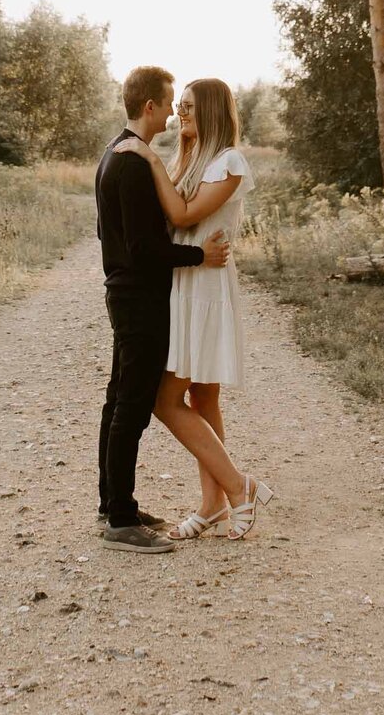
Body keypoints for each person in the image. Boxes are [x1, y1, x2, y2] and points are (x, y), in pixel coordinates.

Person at [116, 77, 274, 542]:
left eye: (187, 106)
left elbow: (183, 216)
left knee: (167, 401)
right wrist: (179, 152)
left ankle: (236, 486)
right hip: (184, 281)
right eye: (178, 105)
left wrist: (148, 155)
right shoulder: (193, 157)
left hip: (205, 285)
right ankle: (215, 505)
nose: (179, 114)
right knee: (203, 398)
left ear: (208, 109)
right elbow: (172, 211)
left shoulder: (229, 161)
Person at [95, 65, 231, 554]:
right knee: (131, 406)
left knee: (119, 399)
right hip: (139, 297)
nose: (174, 111)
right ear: (149, 106)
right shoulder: (131, 161)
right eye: (170, 102)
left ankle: (113, 504)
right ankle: (121, 521)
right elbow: (143, 248)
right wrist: (199, 256)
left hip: (128, 294)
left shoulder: (116, 152)